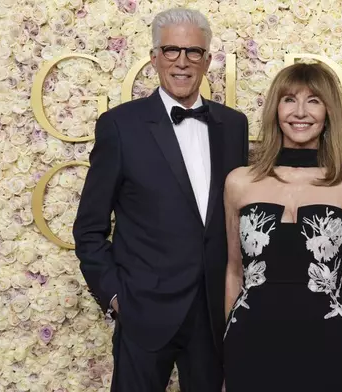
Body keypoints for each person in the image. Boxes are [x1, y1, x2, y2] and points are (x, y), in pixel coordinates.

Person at [72, 7, 249, 392]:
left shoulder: (234, 126)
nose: (182, 62)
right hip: (144, 312)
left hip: (214, 314)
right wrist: (117, 297)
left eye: (193, 52)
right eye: (171, 51)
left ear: (207, 59)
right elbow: (89, 229)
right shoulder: (120, 125)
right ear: (154, 58)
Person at [222, 62, 342, 392]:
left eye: (313, 100)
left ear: (329, 111)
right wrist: (226, 360)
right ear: (276, 108)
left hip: (327, 344)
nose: (300, 112)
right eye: (289, 99)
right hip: (250, 344)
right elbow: (234, 273)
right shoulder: (240, 182)